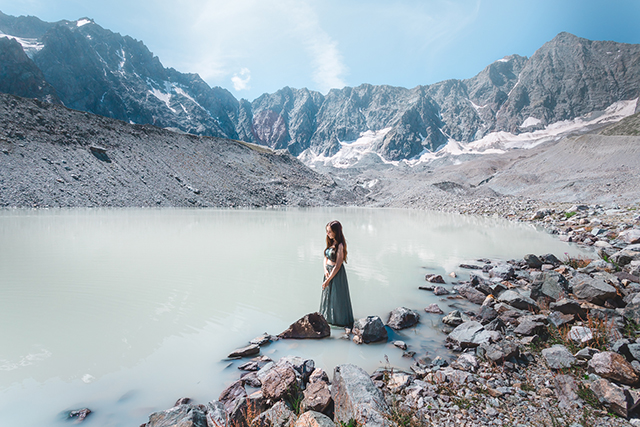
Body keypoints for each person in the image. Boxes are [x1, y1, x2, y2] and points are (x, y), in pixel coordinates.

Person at [319, 220, 354, 327]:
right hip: (328, 272)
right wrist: (325, 270)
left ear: (336, 231)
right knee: (327, 296)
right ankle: (327, 318)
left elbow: (338, 265)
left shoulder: (340, 245)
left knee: (336, 296)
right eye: (327, 231)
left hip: (336, 274)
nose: (327, 233)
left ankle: (338, 321)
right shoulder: (331, 242)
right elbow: (325, 257)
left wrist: (328, 280)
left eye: (329, 231)